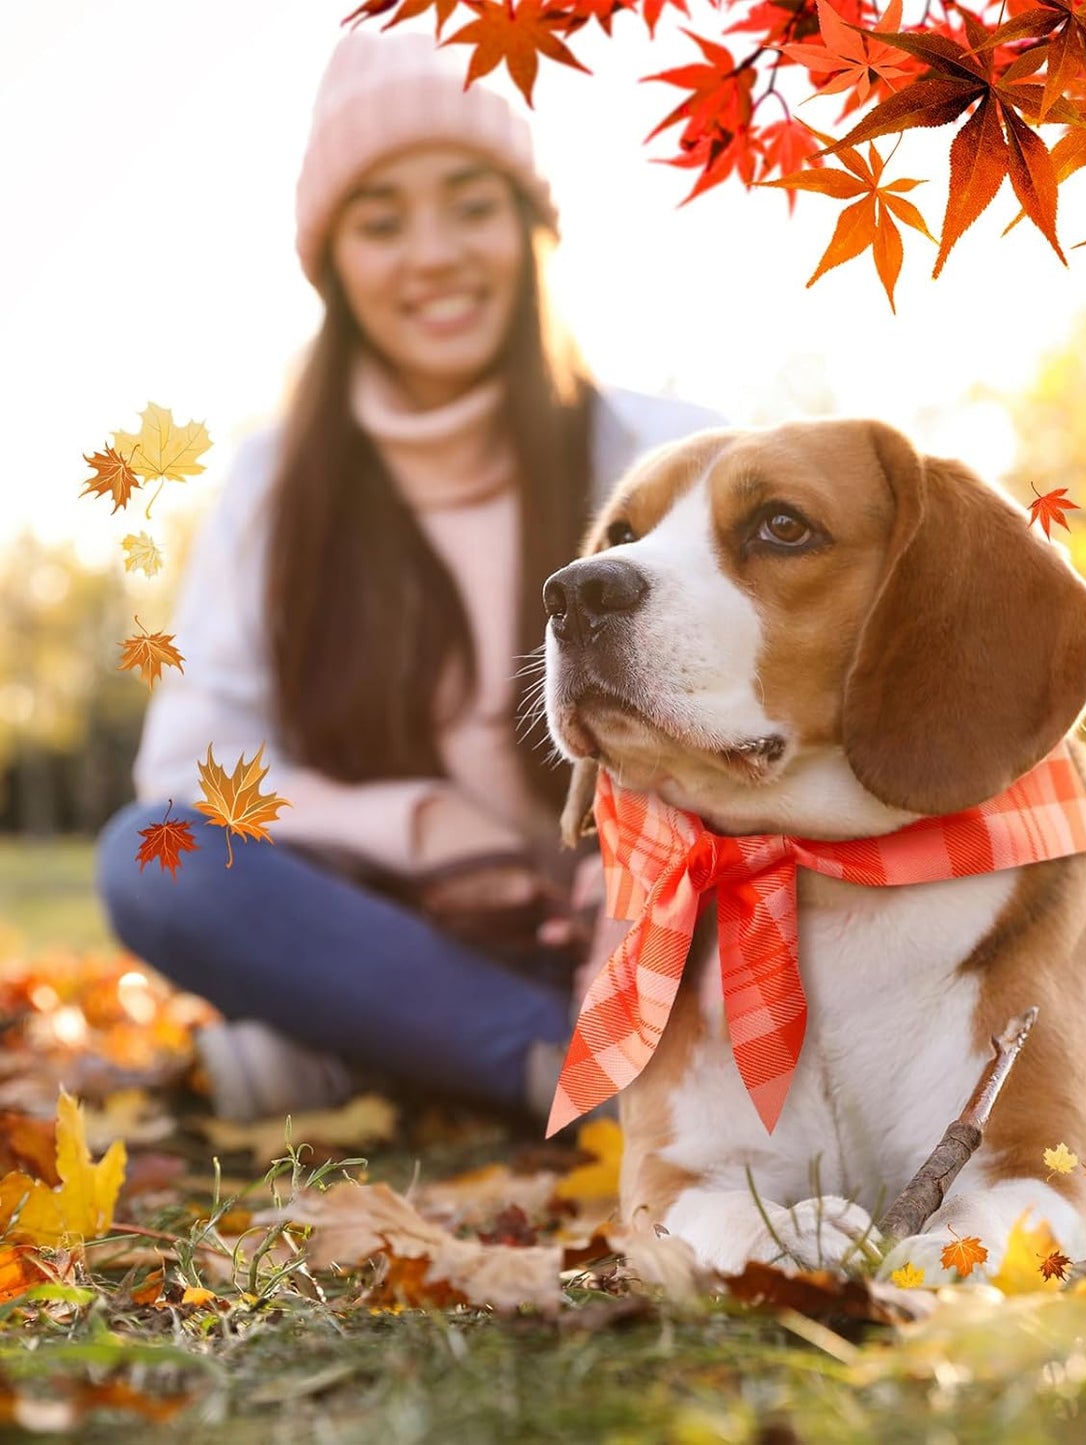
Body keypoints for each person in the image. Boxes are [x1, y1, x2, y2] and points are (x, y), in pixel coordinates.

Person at [93, 28, 724, 1124]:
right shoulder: (273, 485)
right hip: (402, 929)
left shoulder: (668, 451)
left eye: (471, 204)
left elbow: (770, 705)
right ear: (331, 261)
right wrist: (418, 826)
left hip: (663, 907)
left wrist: (632, 871)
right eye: (381, 221)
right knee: (156, 861)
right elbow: (188, 765)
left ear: (532, 229)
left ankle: (382, 1052)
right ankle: (554, 1057)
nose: (430, 254)